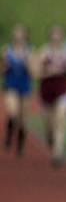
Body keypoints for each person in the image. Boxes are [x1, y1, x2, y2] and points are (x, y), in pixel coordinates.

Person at [34, 25, 66, 166]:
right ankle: (51, 140)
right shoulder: (44, 52)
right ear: (50, 36)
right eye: (54, 35)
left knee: (60, 120)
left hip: (62, 89)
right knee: (49, 124)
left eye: (58, 35)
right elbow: (36, 73)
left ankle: (58, 152)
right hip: (47, 90)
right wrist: (51, 72)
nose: (56, 37)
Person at [2, 24, 32, 157]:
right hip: (10, 85)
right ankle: (9, 135)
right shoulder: (6, 51)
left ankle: (20, 147)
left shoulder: (30, 52)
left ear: (25, 35)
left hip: (24, 86)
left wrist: (28, 66)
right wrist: (5, 67)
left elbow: (35, 72)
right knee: (12, 112)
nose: (18, 35)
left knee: (23, 120)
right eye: (16, 32)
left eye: (21, 33)